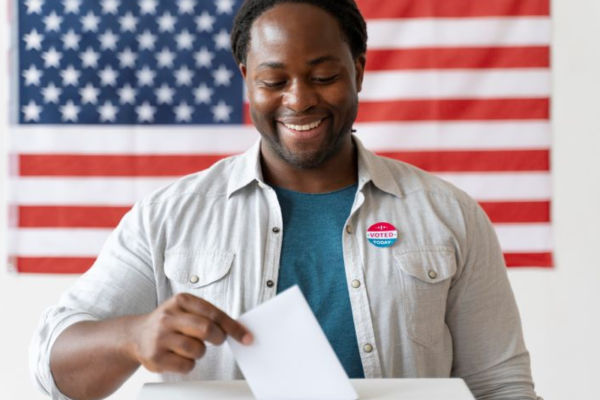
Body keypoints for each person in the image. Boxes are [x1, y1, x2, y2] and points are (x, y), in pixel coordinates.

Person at [30, 1, 540, 399]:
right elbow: (55, 371)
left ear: (358, 72)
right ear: (247, 79)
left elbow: (501, 388)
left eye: (324, 77)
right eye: (274, 80)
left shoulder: (449, 215)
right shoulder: (170, 217)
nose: (299, 100)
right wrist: (132, 337)